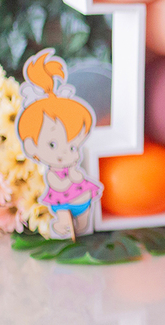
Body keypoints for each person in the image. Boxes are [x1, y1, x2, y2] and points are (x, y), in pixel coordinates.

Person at [16, 49, 101, 238]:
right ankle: (64, 226)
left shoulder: (72, 165)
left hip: (83, 200)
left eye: (72, 147)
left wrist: (74, 173)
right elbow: (58, 184)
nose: (65, 153)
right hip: (63, 203)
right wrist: (68, 175)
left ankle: (81, 226)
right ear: (30, 146)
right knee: (65, 219)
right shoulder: (52, 173)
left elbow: (78, 179)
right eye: (52, 145)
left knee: (84, 224)